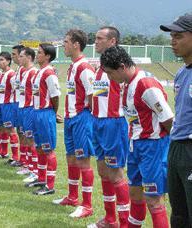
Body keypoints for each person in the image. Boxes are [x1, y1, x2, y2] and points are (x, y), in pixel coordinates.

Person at [100, 46, 174, 228]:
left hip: (153, 146)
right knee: (135, 194)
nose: (109, 78)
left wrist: (169, 147)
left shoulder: (145, 84)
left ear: (122, 67)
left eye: (110, 73)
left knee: (154, 199)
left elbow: (168, 118)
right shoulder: (126, 83)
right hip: (136, 145)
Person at [88, 27, 129, 228]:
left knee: (116, 173)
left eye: (99, 38)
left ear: (112, 41)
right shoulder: (99, 67)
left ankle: (124, 223)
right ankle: (111, 219)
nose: (95, 41)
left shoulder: (120, 66)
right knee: (103, 171)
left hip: (113, 123)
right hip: (97, 122)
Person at [53, 29, 95, 218]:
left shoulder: (85, 67)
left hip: (81, 119)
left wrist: (84, 117)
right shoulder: (73, 66)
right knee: (71, 159)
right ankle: (72, 197)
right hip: (70, 119)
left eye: (66, 42)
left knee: (83, 161)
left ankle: (87, 205)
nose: (64, 45)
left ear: (76, 44)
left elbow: (92, 95)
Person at [160, 13, 192, 228]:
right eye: (172, 36)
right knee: (179, 213)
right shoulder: (181, 73)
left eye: (179, 36)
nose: (173, 41)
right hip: (176, 146)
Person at [26, 43, 61, 195]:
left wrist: (53, 112)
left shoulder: (49, 73)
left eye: (40, 52)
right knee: (39, 147)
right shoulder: (40, 72)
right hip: (36, 112)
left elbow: (55, 96)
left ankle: (50, 186)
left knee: (48, 149)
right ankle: (41, 178)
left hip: (45, 113)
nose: (37, 54)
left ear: (47, 56)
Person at [16, 47, 38, 183]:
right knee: (26, 138)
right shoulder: (25, 72)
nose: (19, 58)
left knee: (32, 140)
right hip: (23, 108)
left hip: (30, 109)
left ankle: (35, 171)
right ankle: (30, 167)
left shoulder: (33, 72)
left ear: (29, 57)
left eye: (22, 56)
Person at [0, 52, 19, 161]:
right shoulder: (1, 73)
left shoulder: (11, 74)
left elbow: (16, 90)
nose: (0, 62)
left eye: (2, 60)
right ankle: (3, 152)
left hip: (8, 105)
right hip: (0, 104)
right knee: (0, 128)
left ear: (8, 61)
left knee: (10, 130)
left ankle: (15, 156)